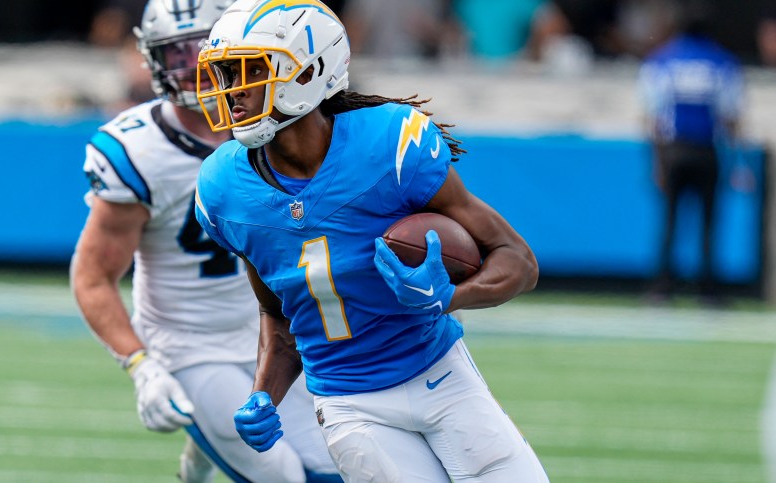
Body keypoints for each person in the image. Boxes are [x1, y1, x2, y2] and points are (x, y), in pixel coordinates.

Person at [192, 0, 548, 480]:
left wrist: (447, 298)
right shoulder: (224, 189)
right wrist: (264, 394)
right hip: (349, 404)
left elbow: (519, 262)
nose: (233, 90)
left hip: (440, 376)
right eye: (227, 75)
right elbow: (279, 316)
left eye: (250, 70)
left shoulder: (388, 144)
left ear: (308, 72)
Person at [70, 1, 340, 481]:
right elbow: (93, 277)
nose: (195, 66)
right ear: (153, 60)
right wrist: (141, 366)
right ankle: (207, 439)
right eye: (178, 53)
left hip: (277, 337)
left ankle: (200, 458)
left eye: (206, 48)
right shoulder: (138, 150)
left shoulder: (287, 122)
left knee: (337, 468)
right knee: (283, 477)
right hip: (190, 345)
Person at [638, 0, 745, 304]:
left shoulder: (662, 60)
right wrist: (737, 162)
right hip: (706, 150)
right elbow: (732, 117)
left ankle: (662, 287)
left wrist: (657, 161)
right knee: (709, 222)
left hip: (673, 150)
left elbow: (653, 118)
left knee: (670, 221)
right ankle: (708, 290)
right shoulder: (722, 62)